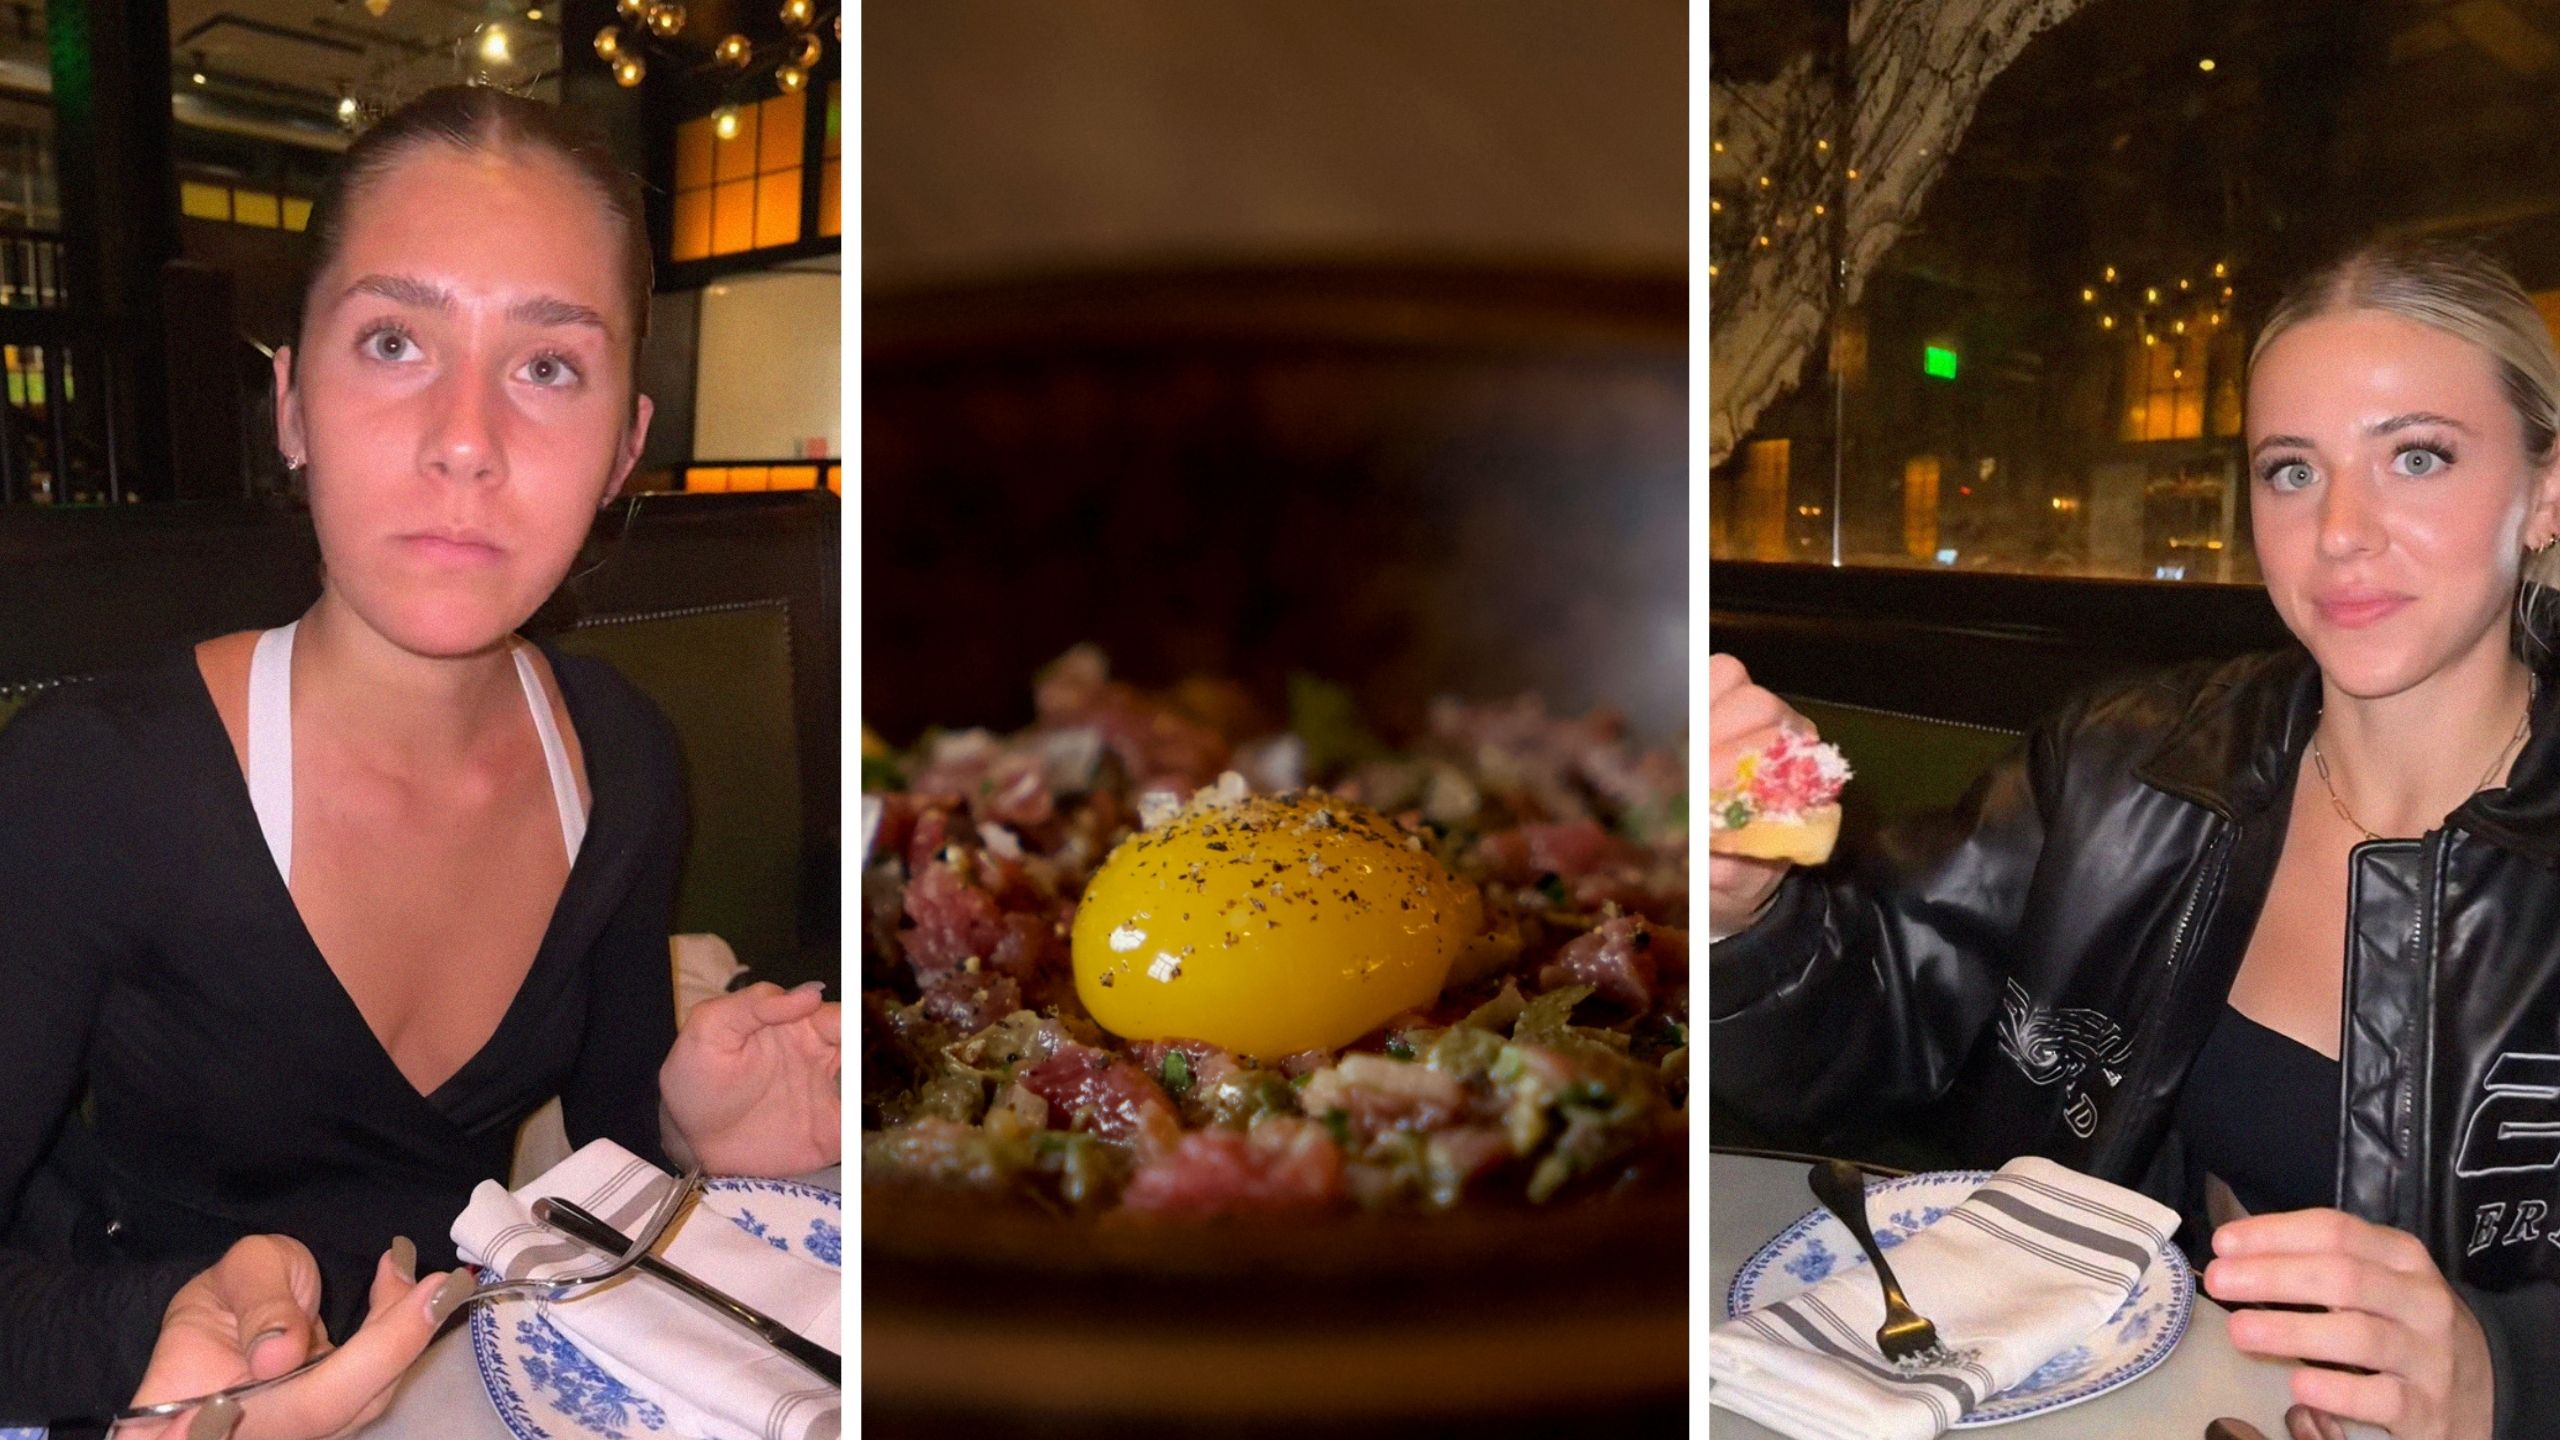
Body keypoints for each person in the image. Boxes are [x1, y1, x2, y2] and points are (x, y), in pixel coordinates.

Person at [0, 86, 841, 1435]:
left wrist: (697, 1137)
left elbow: (607, 1145)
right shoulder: (92, 783)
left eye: (548, 365)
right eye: (394, 341)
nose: (466, 440)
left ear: (625, 445)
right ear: (290, 404)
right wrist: (165, 1357)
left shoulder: (622, 756)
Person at [1710, 239, 2560, 1440]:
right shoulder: (2122, 762)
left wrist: (2509, 1374)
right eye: (2288, 471)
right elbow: (1866, 1030)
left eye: (2415, 457)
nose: (2340, 533)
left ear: (2545, 492)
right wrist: (1740, 911)